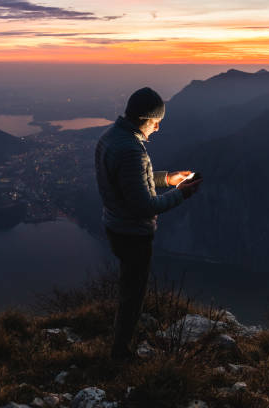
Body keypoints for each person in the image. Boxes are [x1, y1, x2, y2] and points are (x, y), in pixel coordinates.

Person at [94, 87, 203, 360]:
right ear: (145, 119)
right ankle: (121, 353)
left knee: (127, 287)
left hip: (114, 225)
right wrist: (182, 193)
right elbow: (145, 205)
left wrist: (168, 178)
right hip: (132, 233)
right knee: (133, 294)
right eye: (157, 122)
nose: (157, 128)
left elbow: (131, 182)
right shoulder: (132, 150)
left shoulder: (110, 138)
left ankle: (121, 341)